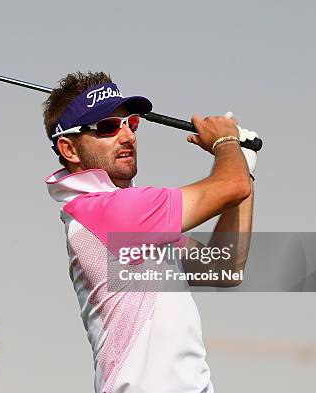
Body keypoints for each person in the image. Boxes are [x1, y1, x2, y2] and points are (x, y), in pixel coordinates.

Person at [43, 72, 258, 393]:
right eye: (107, 128)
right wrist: (227, 144)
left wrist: (245, 168)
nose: (127, 135)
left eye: (131, 123)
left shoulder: (129, 219)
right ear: (69, 149)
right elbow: (231, 185)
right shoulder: (104, 211)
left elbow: (224, 267)